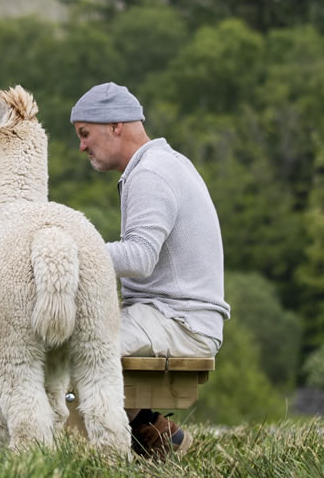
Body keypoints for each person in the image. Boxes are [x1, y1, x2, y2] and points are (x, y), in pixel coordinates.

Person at [70, 82, 228, 460]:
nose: (81, 146)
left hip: (181, 321)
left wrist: (65, 253)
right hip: (173, 314)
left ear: (116, 126)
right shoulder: (163, 163)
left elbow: (139, 258)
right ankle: (157, 435)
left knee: (75, 348)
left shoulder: (150, 174)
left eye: (85, 133)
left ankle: (90, 457)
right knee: (75, 329)